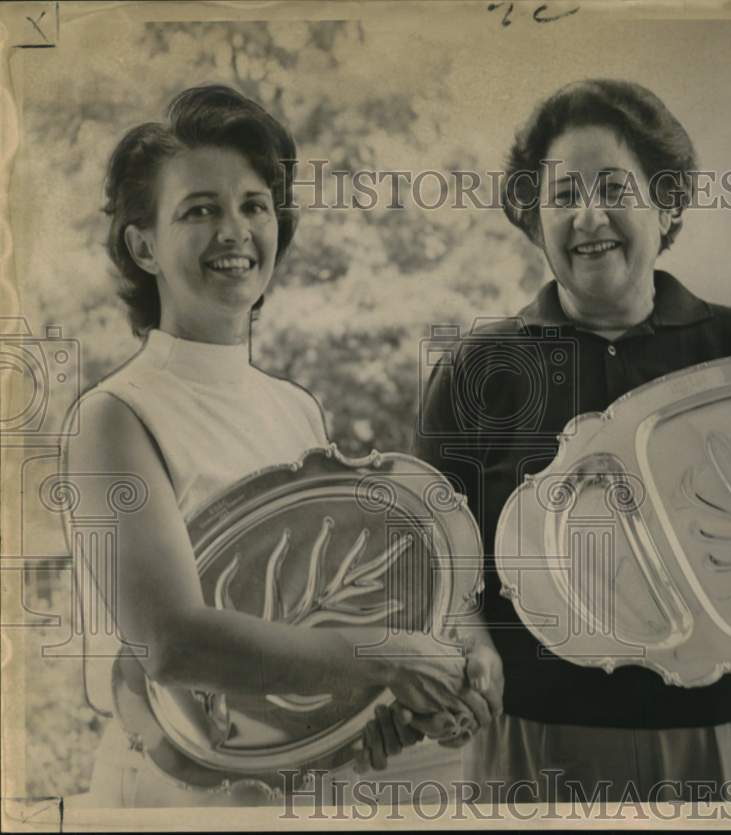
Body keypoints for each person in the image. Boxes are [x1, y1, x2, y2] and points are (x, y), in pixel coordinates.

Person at [414, 78, 731, 802]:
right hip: (538, 741)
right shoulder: (477, 369)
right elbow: (434, 555)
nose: (588, 216)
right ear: (534, 219)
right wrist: (470, 643)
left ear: (668, 202)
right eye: (561, 196)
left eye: (614, 187)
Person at [64, 84, 495, 806]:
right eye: (199, 210)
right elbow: (172, 642)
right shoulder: (113, 416)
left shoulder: (294, 408)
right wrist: (383, 659)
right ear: (143, 245)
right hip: (171, 799)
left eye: (254, 205)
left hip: (286, 798)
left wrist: (383, 709)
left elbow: (312, 633)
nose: (235, 231)